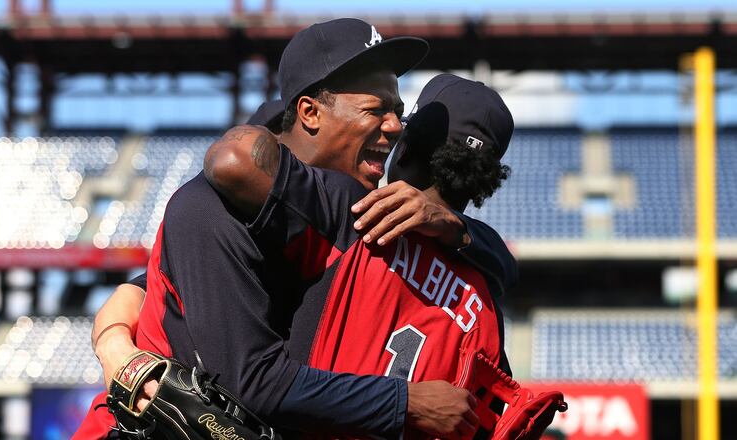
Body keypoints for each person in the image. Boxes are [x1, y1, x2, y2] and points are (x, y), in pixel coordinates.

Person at [77, 19, 497, 439]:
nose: (395, 126)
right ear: (308, 114)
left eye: (398, 112)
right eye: (375, 109)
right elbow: (250, 384)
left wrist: (460, 229)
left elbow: (498, 267)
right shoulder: (210, 206)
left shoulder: (353, 219)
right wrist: (406, 402)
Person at [204, 73, 514, 438]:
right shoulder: (484, 298)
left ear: (409, 145)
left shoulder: (352, 212)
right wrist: (461, 231)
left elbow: (233, 162)